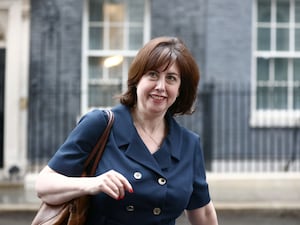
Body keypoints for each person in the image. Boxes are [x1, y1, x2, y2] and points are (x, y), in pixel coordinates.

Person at [35, 36, 218, 225]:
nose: (160, 87)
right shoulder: (100, 124)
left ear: (180, 89)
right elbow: (44, 185)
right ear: (137, 79)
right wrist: (92, 184)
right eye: (153, 75)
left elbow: (203, 211)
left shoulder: (188, 144)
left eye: (171, 78)